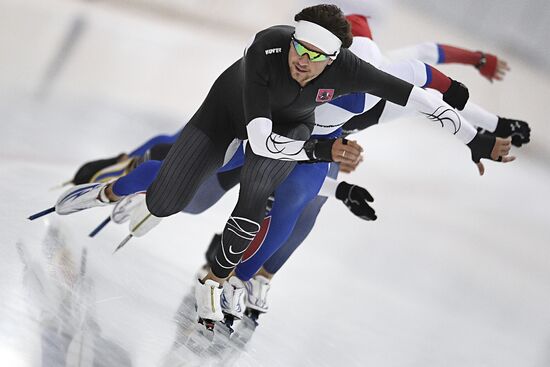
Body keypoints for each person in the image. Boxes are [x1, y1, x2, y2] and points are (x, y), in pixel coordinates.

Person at [54, 5, 513, 329]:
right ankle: (128, 173)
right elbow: (261, 134)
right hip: (259, 123)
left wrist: (481, 134)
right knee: (193, 195)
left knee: (300, 209)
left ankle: (236, 277)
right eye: (304, 53)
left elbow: (436, 94)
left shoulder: (388, 81)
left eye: (321, 62)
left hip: (308, 140)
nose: (306, 65)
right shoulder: (282, 52)